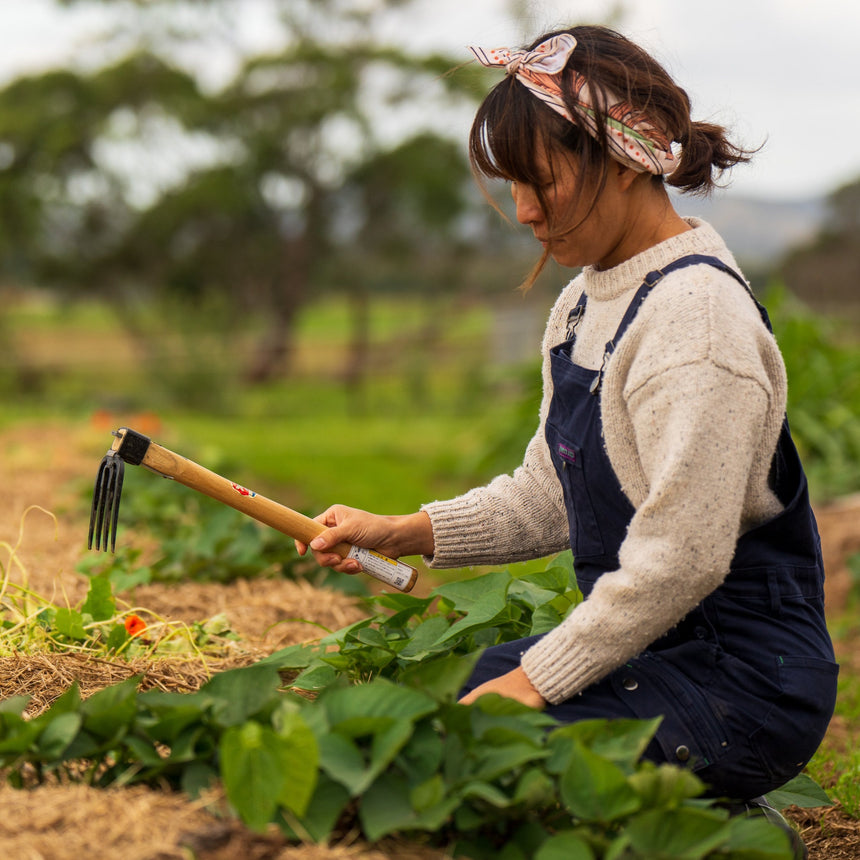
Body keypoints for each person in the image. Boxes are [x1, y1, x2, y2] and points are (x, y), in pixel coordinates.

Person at [296, 23, 837, 836]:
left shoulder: (697, 324)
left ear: (622, 160)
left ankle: (724, 832)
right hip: (656, 651)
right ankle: (694, 807)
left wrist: (538, 683)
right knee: (459, 699)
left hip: (744, 681)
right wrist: (407, 531)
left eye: (538, 181)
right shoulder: (589, 297)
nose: (521, 213)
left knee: (481, 755)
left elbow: (680, 559)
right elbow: (551, 491)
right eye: (509, 185)